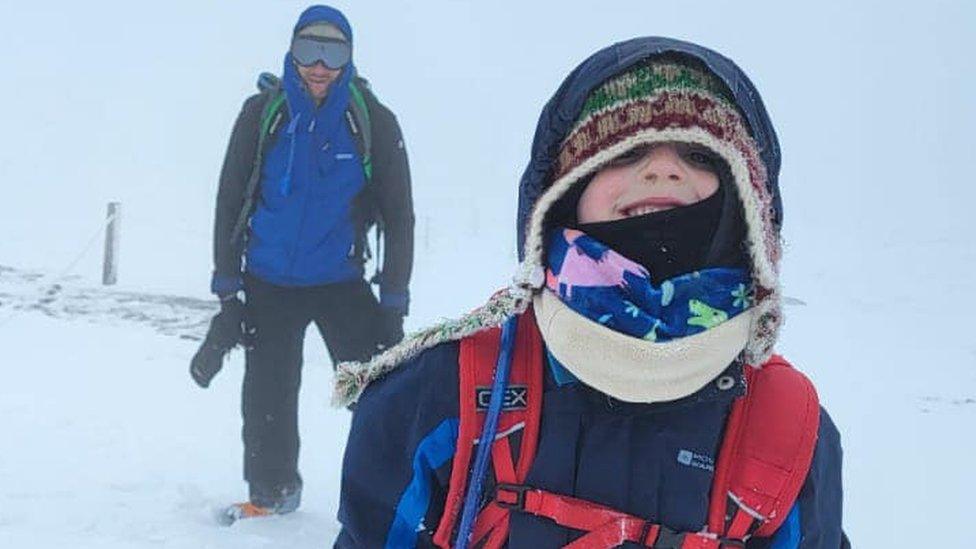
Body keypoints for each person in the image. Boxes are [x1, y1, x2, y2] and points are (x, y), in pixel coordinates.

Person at [333, 37, 848, 547]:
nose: (663, 169)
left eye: (698, 153)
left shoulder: (787, 429)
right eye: (626, 150)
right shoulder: (443, 389)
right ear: (566, 191)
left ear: (747, 204)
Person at [191, 5, 414, 521]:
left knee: (380, 392)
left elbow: (400, 217)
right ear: (291, 51)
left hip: (341, 280)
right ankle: (271, 497)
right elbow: (229, 200)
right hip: (268, 281)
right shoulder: (262, 113)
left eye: (333, 51)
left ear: (350, 57)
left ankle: (400, 494)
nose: (319, 64)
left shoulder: (373, 122)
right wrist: (229, 290)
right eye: (308, 49)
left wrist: (394, 303)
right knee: (266, 395)